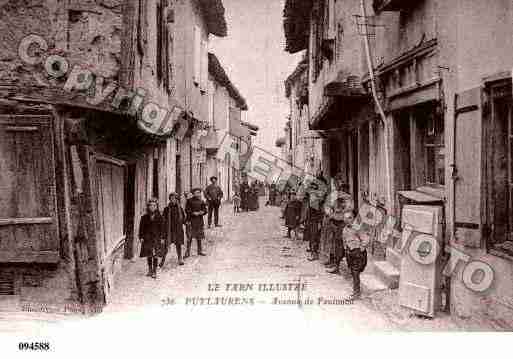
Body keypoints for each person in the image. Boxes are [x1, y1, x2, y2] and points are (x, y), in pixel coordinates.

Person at [342, 210, 370, 299]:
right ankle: (356, 291)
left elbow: (365, 239)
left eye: (349, 218)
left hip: (357, 253)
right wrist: (346, 249)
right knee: (353, 272)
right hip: (349, 253)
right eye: (345, 218)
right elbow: (344, 240)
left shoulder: (357, 228)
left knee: (355, 272)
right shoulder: (345, 229)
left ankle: (356, 293)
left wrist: (361, 249)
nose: (347, 220)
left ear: (353, 218)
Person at [138, 198, 164, 279]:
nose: (152, 207)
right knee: (149, 254)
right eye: (150, 205)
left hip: (156, 238)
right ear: (148, 207)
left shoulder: (160, 217)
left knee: (155, 254)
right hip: (147, 238)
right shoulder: (144, 217)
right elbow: (141, 228)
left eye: (154, 205)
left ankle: (154, 271)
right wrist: (141, 237)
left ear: (156, 207)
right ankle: (149, 269)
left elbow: (162, 228)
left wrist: (163, 238)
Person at [161, 192, 186, 268]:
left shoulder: (180, 208)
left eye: (175, 199)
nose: (173, 200)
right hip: (169, 230)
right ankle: (162, 260)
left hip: (178, 229)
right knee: (165, 246)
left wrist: (186, 222)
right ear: (169, 199)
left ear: (177, 200)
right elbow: (163, 220)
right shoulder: (166, 209)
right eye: (171, 198)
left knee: (178, 244)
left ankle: (180, 258)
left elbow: (183, 218)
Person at [184, 188, 208, 257]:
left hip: (199, 221)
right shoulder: (189, 201)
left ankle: (199, 251)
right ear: (193, 193)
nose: (198, 194)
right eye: (196, 192)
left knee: (199, 237)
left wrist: (202, 212)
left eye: (199, 192)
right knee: (190, 237)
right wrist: (193, 213)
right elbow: (187, 210)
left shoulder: (201, 201)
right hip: (191, 221)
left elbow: (205, 210)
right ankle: (187, 252)